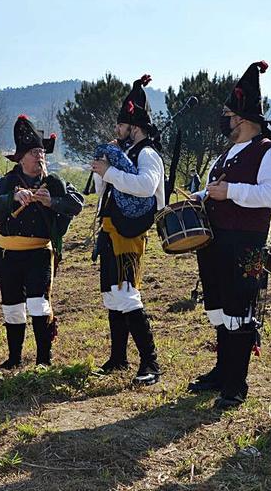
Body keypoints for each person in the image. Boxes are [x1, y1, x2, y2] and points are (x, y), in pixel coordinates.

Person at [186, 60, 271, 410]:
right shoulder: (227, 152)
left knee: (240, 312)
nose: (223, 120)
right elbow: (214, 189)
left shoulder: (270, 153)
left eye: (227, 115)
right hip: (215, 241)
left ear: (244, 119)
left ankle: (236, 385)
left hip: (246, 244)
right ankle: (221, 372)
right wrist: (200, 197)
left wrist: (230, 191)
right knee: (219, 308)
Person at [0, 114, 84, 368]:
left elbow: (77, 203)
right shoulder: (8, 182)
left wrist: (52, 202)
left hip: (39, 255)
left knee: (39, 304)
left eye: (41, 152)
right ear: (22, 157)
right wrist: (12, 199)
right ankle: (14, 359)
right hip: (9, 256)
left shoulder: (54, 183)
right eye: (34, 152)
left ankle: (43, 360)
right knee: (13, 308)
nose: (40, 156)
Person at [89, 74, 164, 384]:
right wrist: (103, 169)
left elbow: (147, 187)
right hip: (110, 230)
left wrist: (111, 171)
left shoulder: (147, 154)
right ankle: (118, 359)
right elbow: (100, 191)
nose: (116, 130)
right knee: (112, 296)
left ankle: (151, 364)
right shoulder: (125, 152)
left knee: (128, 295)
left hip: (129, 234)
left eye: (120, 125)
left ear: (133, 125)